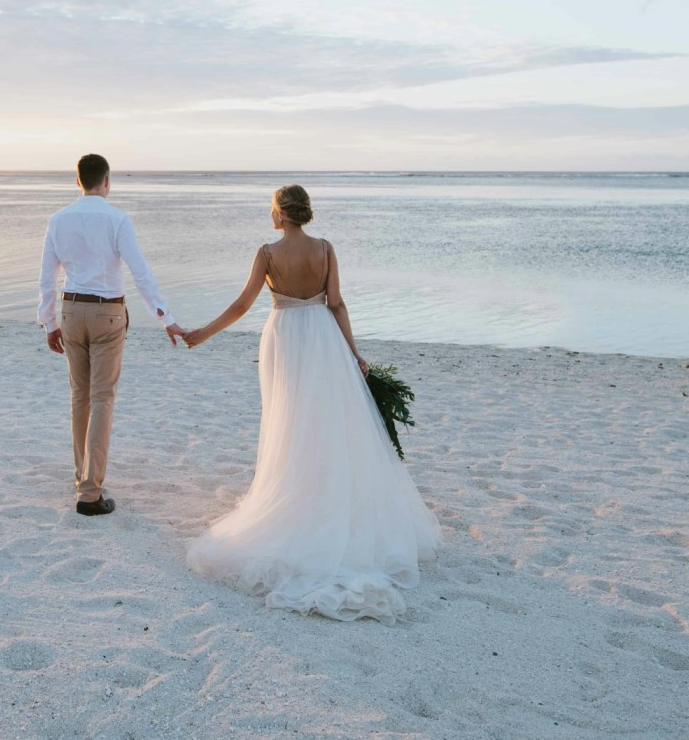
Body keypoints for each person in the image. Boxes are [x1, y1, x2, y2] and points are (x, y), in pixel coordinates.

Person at [174, 183, 441, 620]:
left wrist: (204, 333)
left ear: (279, 213)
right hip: (323, 337)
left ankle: (296, 493)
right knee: (328, 420)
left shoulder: (267, 253)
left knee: (291, 422)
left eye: (271, 209)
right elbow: (336, 303)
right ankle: (325, 495)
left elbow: (244, 304)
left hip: (285, 337)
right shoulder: (326, 249)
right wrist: (354, 352)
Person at [38, 153, 178, 516]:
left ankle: (82, 476)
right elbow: (140, 270)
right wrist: (165, 317)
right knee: (101, 399)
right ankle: (89, 491)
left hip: (71, 311)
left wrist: (49, 321)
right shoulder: (117, 219)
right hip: (108, 313)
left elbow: (46, 276)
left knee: (79, 397)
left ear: (78, 181)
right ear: (107, 181)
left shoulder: (58, 220)